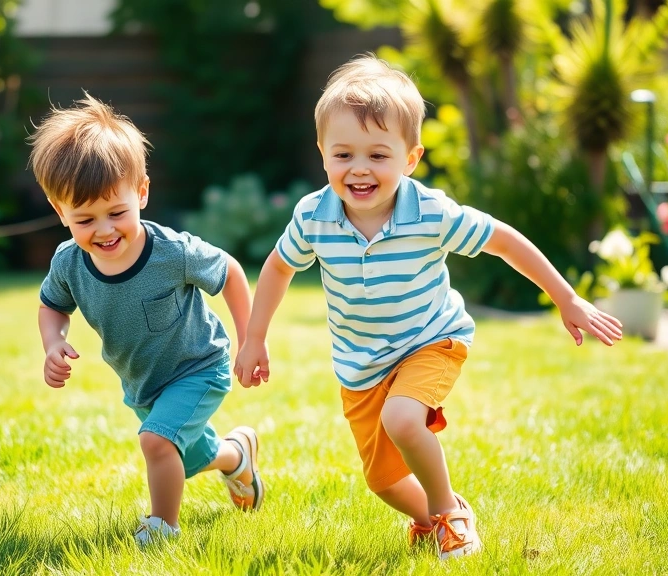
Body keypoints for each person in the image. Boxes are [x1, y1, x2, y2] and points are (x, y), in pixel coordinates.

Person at [234, 56, 623, 559]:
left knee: (402, 419)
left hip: (431, 340)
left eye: (378, 155)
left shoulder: (431, 213)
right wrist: (255, 337)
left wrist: (566, 297)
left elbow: (503, 241)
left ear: (411, 158)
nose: (359, 168)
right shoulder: (313, 216)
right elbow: (278, 268)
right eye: (343, 154)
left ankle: (450, 516)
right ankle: (429, 518)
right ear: (322, 153)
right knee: (383, 481)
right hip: (361, 365)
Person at [29, 93, 264, 546]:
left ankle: (162, 527)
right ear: (60, 212)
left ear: (141, 192)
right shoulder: (68, 262)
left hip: (198, 367)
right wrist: (53, 342)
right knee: (183, 458)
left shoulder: (172, 252)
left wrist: (250, 339)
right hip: (144, 383)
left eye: (117, 213)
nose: (104, 230)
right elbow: (52, 305)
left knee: (157, 443)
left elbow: (231, 273)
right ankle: (237, 456)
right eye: (85, 219)